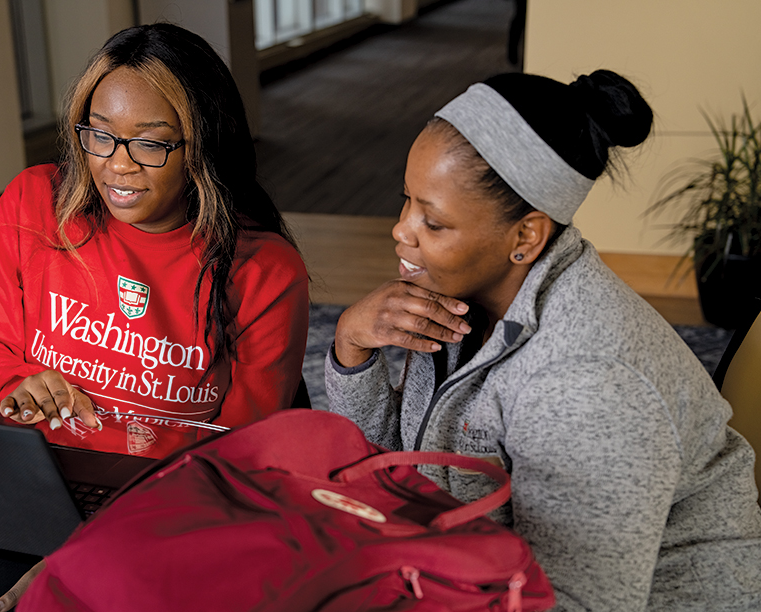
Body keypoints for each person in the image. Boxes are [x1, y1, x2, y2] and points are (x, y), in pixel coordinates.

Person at [326, 70, 761, 611]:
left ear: (525, 236)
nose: (401, 230)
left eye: (432, 222)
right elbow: (391, 472)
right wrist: (353, 348)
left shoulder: (588, 382)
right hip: (469, 568)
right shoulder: (459, 296)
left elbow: (577, 601)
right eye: (406, 201)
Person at [0, 22, 308, 611]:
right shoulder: (37, 201)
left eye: (151, 142)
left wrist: (86, 552)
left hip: (172, 510)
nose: (117, 165)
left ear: (201, 144)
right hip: (31, 488)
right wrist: (14, 384)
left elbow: (237, 451)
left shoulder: (264, 268)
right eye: (100, 135)